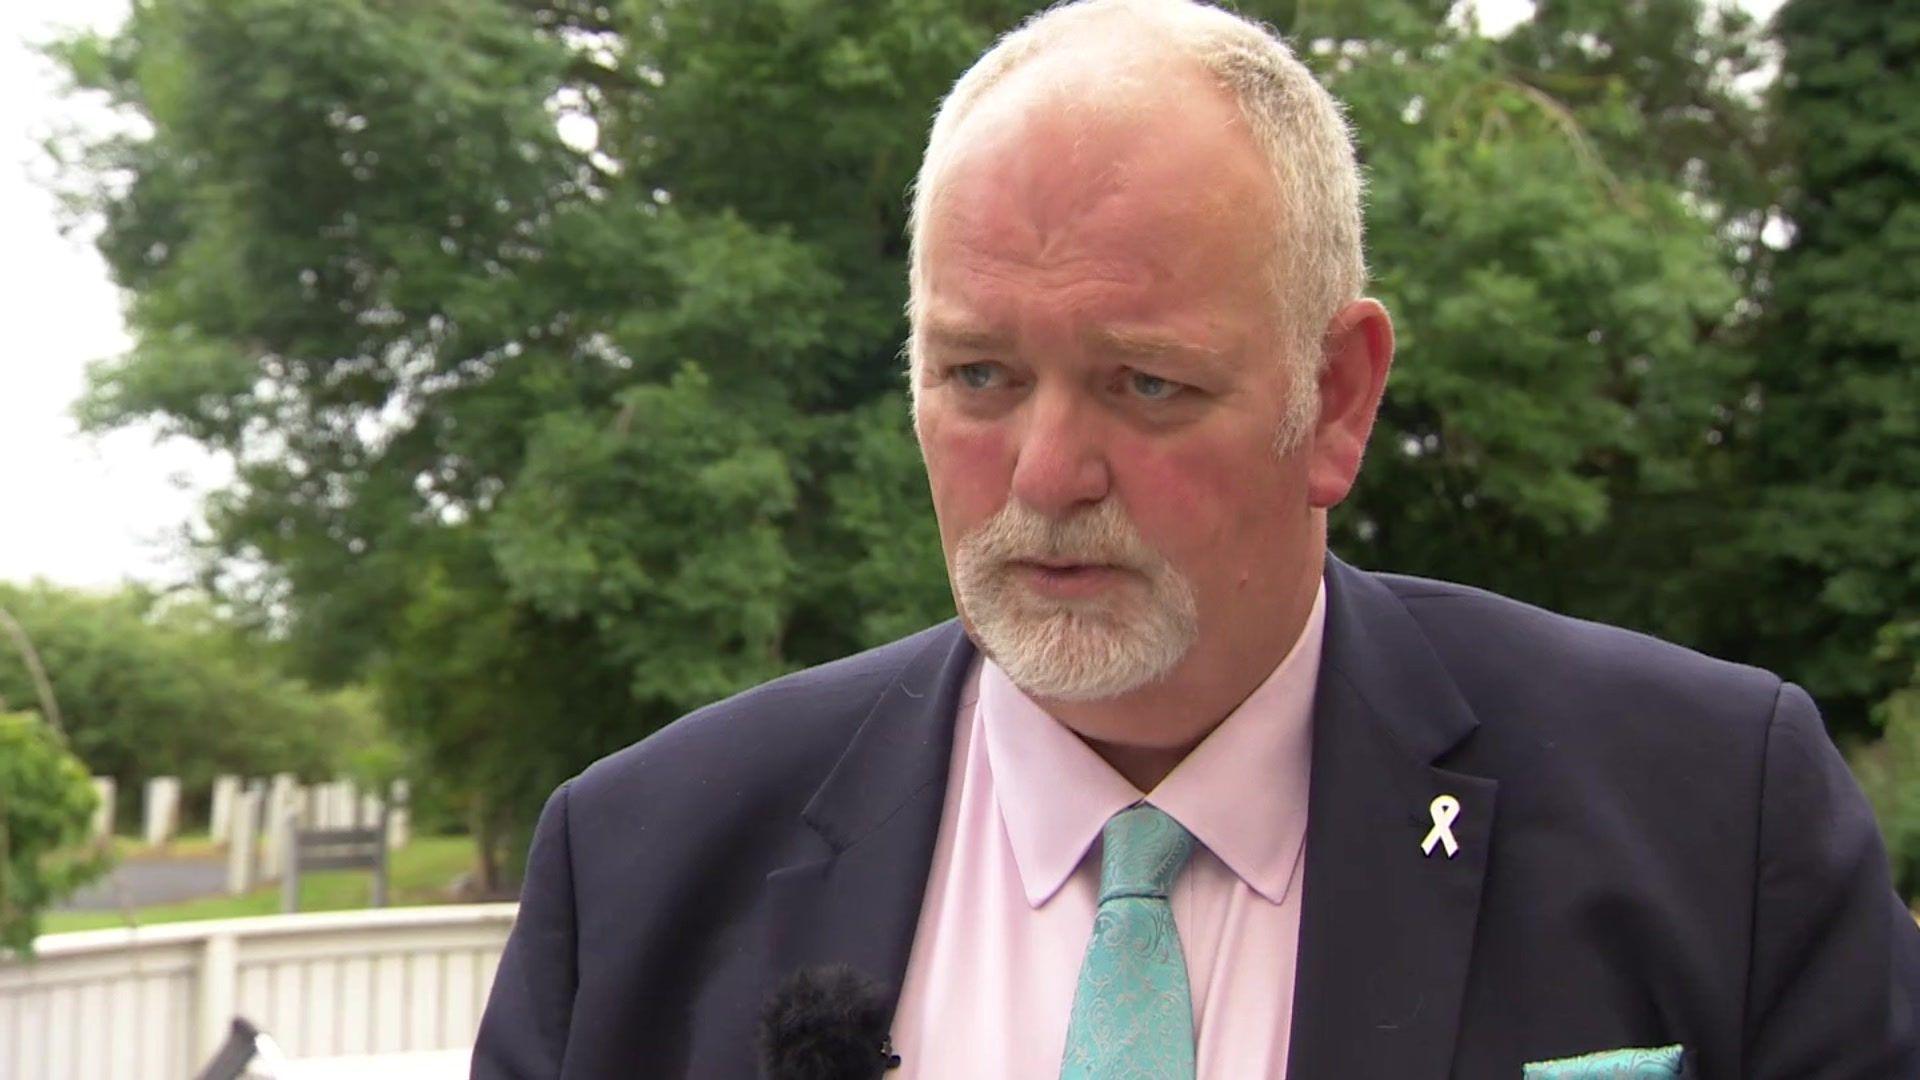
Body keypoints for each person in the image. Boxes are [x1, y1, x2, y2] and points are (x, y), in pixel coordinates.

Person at [472, 1, 1920, 1077]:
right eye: (977, 376)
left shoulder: (1715, 821)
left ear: (1338, 398)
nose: (1043, 474)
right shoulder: (643, 869)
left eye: (1143, 384)